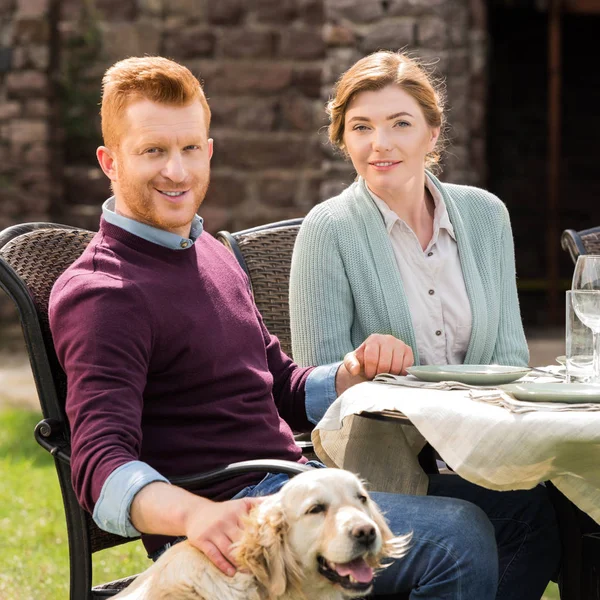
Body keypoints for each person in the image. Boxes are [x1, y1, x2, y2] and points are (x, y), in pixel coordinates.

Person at [51, 55, 508, 599]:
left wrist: (349, 373)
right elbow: (100, 465)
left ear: (209, 150)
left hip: (292, 484)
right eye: (153, 151)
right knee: (458, 536)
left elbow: (280, 384)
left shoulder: (207, 252)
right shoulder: (105, 291)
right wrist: (197, 516)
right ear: (110, 161)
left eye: (190, 148)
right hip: (242, 519)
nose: (177, 171)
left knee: (526, 512)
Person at [289, 50, 561, 599]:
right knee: (525, 516)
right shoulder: (328, 229)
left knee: (566, 506)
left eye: (400, 124)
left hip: (484, 452)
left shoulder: (486, 215)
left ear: (432, 134)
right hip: (385, 471)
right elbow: (316, 390)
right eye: (361, 127)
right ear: (342, 137)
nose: (379, 144)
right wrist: (358, 364)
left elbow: (509, 357)